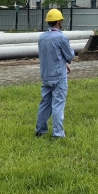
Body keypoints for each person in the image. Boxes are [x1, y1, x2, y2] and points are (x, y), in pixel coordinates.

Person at [35, 8, 75, 139]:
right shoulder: (61, 37)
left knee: (45, 103)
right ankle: (58, 134)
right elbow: (70, 55)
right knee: (58, 104)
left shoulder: (42, 37)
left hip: (46, 76)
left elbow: (48, 56)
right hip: (58, 77)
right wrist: (64, 63)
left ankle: (40, 130)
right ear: (59, 22)